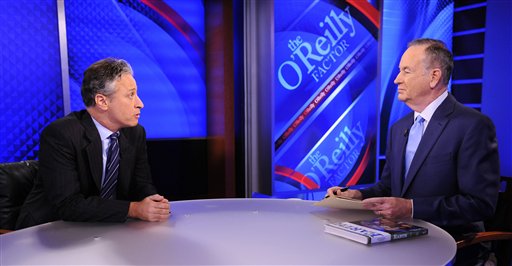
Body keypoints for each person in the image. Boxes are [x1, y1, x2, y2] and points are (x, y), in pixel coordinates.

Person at [327, 38, 500, 265]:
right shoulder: (399, 128)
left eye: (406, 71)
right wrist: (358, 196)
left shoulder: (473, 125)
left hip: (453, 246)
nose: (397, 79)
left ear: (434, 77)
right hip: (399, 241)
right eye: (399, 71)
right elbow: (389, 187)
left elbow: (480, 204)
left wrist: (411, 208)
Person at [16, 58, 170, 229]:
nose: (140, 104)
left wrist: (154, 204)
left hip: (100, 228)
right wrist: (133, 209)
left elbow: (142, 184)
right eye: (131, 95)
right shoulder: (61, 135)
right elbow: (68, 205)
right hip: (47, 231)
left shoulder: (135, 133)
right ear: (102, 101)